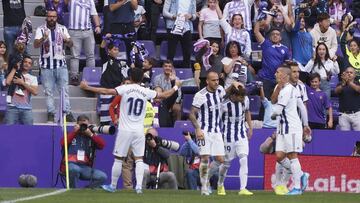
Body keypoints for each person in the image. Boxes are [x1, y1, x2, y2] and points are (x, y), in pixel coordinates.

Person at [79, 67, 181, 194]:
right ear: (141, 79)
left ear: (131, 78)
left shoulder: (125, 88)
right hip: (139, 131)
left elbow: (105, 90)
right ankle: (138, 187)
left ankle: (113, 185)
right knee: (139, 159)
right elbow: (165, 95)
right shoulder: (145, 91)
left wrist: (87, 87)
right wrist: (176, 86)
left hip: (125, 130)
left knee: (118, 159)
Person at [189, 70, 241, 195]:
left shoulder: (220, 90)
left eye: (217, 79)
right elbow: (191, 114)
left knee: (220, 159)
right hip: (204, 130)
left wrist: (234, 85)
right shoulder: (200, 95)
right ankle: (204, 188)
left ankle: (204, 180)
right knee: (205, 157)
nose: (216, 82)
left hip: (217, 131)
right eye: (213, 80)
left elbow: (227, 93)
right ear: (207, 81)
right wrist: (197, 129)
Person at [271, 65, 311, 195]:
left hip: (291, 127)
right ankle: (302, 174)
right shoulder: (290, 89)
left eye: (277, 72)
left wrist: (305, 125)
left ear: (283, 75)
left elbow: (277, 110)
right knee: (279, 156)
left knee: (293, 156)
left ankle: (297, 187)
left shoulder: (287, 90)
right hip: (283, 128)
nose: (275, 74)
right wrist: (305, 124)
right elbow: (301, 107)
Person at [34, 9, 75, 123]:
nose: (52, 18)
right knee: (49, 92)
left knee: (64, 90)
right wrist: (43, 38)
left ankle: (67, 112)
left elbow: (71, 43)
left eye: (54, 16)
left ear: (57, 17)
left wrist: (66, 40)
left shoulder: (62, 28)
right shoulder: (41, 29)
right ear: (46, 17)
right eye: (49, 16)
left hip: (60, 65)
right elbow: (36, 45)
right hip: (46, 67)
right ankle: (51, 113)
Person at [217, 84, 253, 196]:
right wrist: (218, 137)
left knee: (244, 159)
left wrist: (250, 127)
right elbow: (217, 120)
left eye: (243, 96)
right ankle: (220, 184)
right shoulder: (224, 105)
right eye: (240, 96)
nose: (242, 99)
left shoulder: (245, 100)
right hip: (228, 137)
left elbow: (247, 111)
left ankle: (243, 188)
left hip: (241, 135)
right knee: (226, 164)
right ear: (233, 95)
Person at [60, 115, 107, 188]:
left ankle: (86, 190)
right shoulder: (70, 134)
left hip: (85, 167)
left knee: (102, 177)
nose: (83, 127)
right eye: (81, 124)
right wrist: (75, 132)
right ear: (77, 124)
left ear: (88, 125)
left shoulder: (91, 136)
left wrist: (91, 135)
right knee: (74, 169)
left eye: (85, 125)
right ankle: (73, 191)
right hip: (71, 165)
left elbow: (102, 145)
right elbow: (63, 143)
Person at [64, 0, 101, 85]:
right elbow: (65, 3)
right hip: (74, 31)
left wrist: (98, 26)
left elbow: (94, 13)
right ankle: (74, 77)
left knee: (90, 55)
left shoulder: (90, 0)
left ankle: (91, 76)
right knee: (75, 56)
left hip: (88, 30)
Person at [254, 20, 290, 99]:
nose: (275, 36)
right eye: (273, 34)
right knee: (265, 102)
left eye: (277, 34)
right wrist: (258, 21)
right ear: (270, 36)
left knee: (277, 102)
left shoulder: (285, 49)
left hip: (278, 80)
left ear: (280, 37)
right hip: (265, 79)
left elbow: (288, 65)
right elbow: (256, 32)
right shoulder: (266, 44)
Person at [99, 43, 129, 125]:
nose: (117, 51)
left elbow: (126, 76)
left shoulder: (121, 63)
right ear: (109, 51)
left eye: (118, 50)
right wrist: (105, 39)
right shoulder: (106, 60)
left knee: (117, 115)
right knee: (105, 117)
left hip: (117, 92)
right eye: (115, 49)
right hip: (106, 91)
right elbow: (101, 48)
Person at [4, 55, 38, 125]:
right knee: (8, 132)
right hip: (12, 108)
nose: (26, 64)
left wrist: (22, 83)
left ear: (31, 66)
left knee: (29, 132)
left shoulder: (33, 78)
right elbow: (7, 82)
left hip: (26, 109)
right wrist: (14, 68)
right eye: (25, 62)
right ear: (22, 63)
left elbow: (35, 92)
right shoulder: (14, 73)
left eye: (29, 63)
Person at [163, 0, 197, 68]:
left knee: (187, 53)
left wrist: (190, 16)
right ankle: (168, 72)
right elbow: (164, 12)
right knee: (171, 52)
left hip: (187, 27)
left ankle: (186, 73)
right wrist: (174, 16)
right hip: (173, 26)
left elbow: (194, 15)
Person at [152, 60, 182, 126]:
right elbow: (157, 92)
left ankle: (177, 128)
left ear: (172, 68)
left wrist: (173, 103)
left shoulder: (177, 79)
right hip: (162, 101)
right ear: (163, 67)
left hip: (174, 101)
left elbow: (179, 95)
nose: (167, 68)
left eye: (169, 66)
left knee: (177, 108)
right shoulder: (157, 78)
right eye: (165, 66)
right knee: (160, 105)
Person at [334, 67, 360, 131]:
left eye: (351, 72)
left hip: (356, 114)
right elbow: (336, 91)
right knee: (344, 136)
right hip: (343, 115)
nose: (349, 74)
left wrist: (348, 82)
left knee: (358, 135)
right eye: (347, 72)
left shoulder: (357, 83)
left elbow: (358, 89)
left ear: (354, 75)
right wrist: (343, 84)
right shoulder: (340, 84)